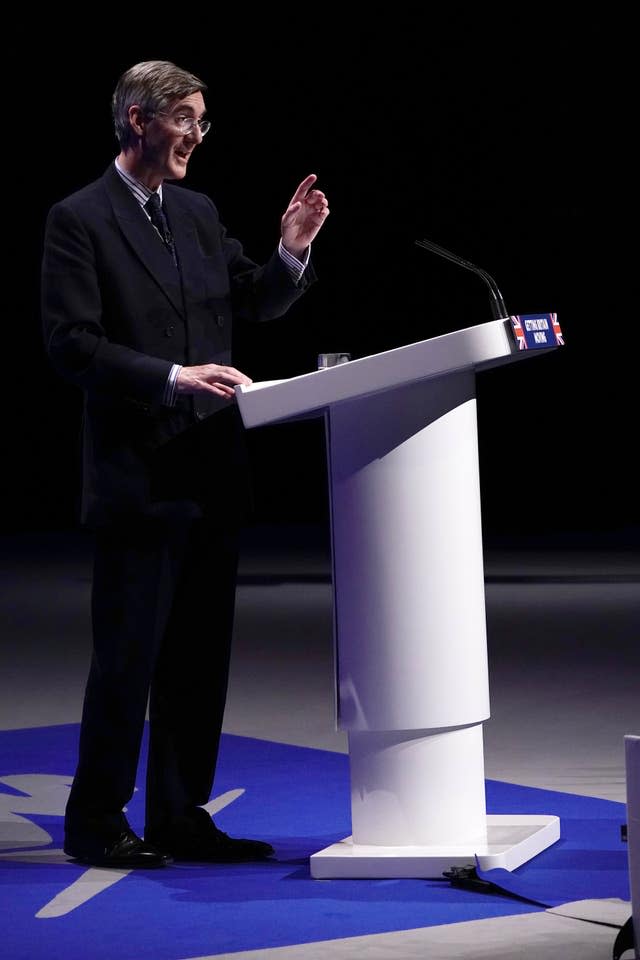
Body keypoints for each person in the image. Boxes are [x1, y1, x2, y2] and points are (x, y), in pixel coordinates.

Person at [41, 59, 329, 868]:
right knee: (128, 659)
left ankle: (178, 813)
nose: (197, 138)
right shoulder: (79, 219)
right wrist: (170, 376)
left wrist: (289, 253)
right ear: (140, 119)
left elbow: (253, 298)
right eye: (187, 121)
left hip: (210, 473)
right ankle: (96, 819)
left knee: (199, 663)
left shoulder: (198, 213)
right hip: (139, 479)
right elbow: (70, 343)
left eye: (203, 124)